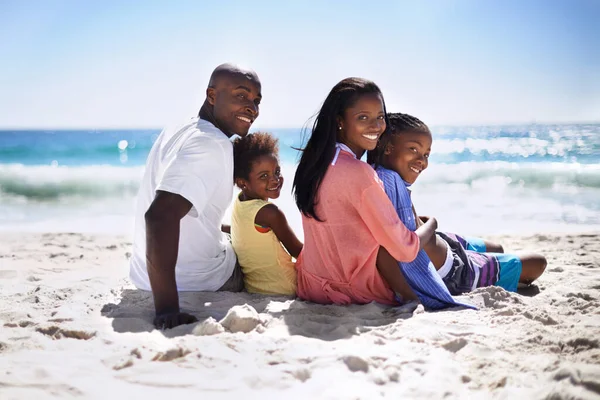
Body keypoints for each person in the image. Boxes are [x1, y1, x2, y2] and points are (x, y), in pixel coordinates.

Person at [129, 63, 262, 329]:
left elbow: (180, 213)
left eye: (256, 101)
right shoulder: (211, 143)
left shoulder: (180, 128)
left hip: (144, 275)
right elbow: (159, 216)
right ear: (212, 96)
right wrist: (167, 309)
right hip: (197, 281)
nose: (252, 108)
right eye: (241, 96)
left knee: (236, 232)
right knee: (266, 249)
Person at [292, 77, 440, 306]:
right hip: (355, 291)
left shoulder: (316, 162)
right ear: (340, 121)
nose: (376, 126)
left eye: (380, 117)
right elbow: (405, 249)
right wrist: (431, 225)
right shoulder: (359, 173)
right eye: (363, 118)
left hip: (311, 285)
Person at [367, 112, 547, 294]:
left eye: (427, 154)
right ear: (388, 148)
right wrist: (431, 223)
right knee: (538, 263)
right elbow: (389, 249)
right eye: (413, 149)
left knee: (497, 247)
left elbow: (400, 225)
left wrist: (419, 222)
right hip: (455, 272)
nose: (422, 161)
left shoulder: (384, 176)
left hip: (445, 246)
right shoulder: (389, 182)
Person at [230, 132, 302, 295]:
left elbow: (242, 231)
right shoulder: (269, 213)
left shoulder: (240, 201)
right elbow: (298, 252)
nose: (275, 179)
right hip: (285, 287)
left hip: (256, 288)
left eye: (277, 171)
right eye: (264, 176)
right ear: (243, 182)